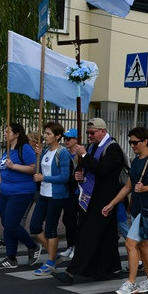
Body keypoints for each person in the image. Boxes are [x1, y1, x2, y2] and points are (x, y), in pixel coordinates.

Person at [52, 118, 124, 284]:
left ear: (103, 131)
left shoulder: (113, 148)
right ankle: (112, 267)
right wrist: (80, 176)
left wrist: (83, 155)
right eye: (88, 133)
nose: (89, 136)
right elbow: (90, 169)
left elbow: (102, 169)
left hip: (105, 198)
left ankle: (72, 272)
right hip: (90, 196)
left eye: (92, 133)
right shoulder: (92, 147)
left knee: (88, 235)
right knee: (106, 235)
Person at [105, 127, 148, 294]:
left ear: (145, 141)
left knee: (130, 243)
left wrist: (146, 187)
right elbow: (128, 187)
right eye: (130, 142)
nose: (132, 145)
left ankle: (131, 282)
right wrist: (112, 204)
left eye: (135, 142)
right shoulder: (136, 161)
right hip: (137, 207)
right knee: (143, 245)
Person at [0, 122, 38, 268]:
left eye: (7, 131)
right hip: (5, 192)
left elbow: (33, 168)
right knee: (7, 225)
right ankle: (11, 258)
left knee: (11, 224)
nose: (4, 133)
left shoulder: (25, 148)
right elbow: (2, 173)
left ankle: (32, 246)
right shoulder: (7, 151)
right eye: (4, 131)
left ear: (16, 134)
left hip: (21, 192)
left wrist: (14, 166)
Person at [27, 122, 71, 276]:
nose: (45, 136)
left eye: (48, 134)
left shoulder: (63, 153)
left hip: (57, 195)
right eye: (45, 133)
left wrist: (44, 178)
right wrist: (38, 154)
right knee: (35, 226)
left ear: (57, 136)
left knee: (50, 228)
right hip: (44, 194)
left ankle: (50, 262)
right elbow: (38, 169)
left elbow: (65, 177)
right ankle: (54, 255)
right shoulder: (45, 151)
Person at [59, 128, 81, 259]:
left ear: (76, 140)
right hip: (68, 191)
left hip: (78, 192)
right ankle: (70, 245)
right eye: (65, 139)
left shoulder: (80, 155)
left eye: (69, 139)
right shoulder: (65, 154)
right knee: (67, 219)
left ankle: (77, 246)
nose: (66, 141)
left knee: (74, 219)